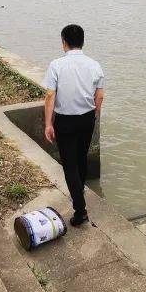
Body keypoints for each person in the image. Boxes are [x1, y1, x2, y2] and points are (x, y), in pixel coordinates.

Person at [43, 25, 105, 227]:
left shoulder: (56, 65)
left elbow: (50, 95)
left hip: (65, 120)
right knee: (81, 159)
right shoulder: (94, 65)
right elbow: (100, 96)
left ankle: (80, 210)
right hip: (87, 118)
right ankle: (80, 192)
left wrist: (48, 124)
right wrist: (94, 116)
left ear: (64, 42)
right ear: (82, 41)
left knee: (69, 165)